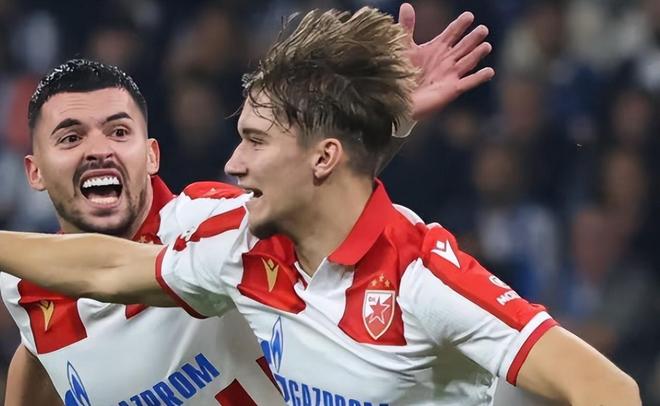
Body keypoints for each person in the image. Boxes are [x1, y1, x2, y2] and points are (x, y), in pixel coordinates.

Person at [2, 5, 636, 406]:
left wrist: (375, 130)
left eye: (254, 142)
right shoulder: (240, 257)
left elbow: (608, 390)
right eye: (70, 137)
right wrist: (376, 125)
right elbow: (102, 274)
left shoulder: (421, 278)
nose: (232, 165)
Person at [0, 59, 283, 405]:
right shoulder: (27, 284)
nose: (99, 151)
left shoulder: (212, 220)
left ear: (151, 156)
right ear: (35, 172)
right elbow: (37, 354)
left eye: (119, 132)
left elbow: (107, 270)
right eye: (71, 138)